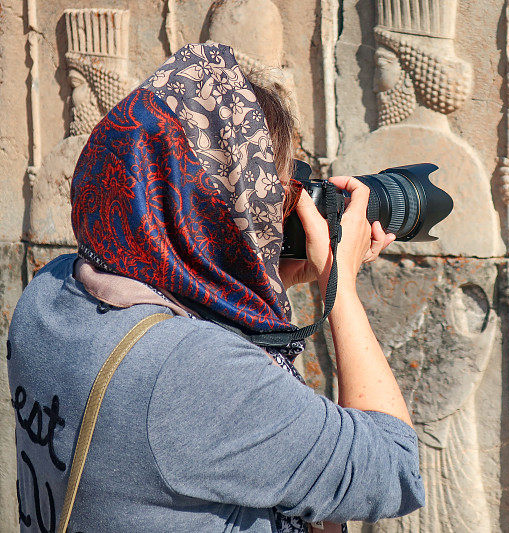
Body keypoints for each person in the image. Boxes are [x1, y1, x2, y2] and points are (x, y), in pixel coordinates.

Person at [7, 43, 424, 532]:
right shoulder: (193, 372)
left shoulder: (51, 292)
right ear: (226, 205)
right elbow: (394, 469)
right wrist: (342, 287)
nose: (277, 214)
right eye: (275, 194)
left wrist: (256, 282)